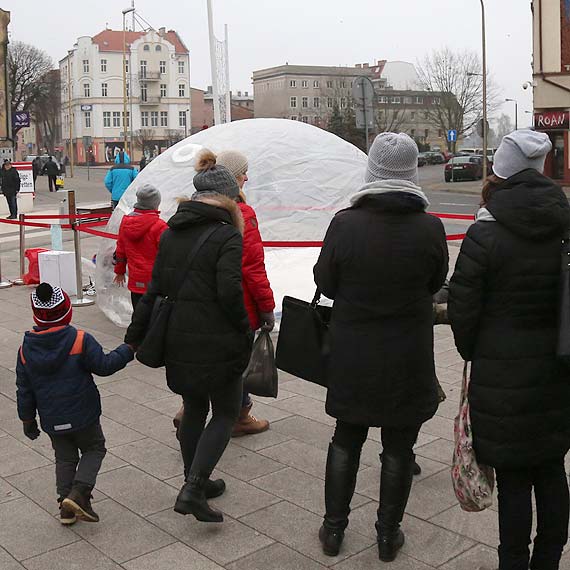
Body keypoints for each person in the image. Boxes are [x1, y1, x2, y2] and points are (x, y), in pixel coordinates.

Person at [314, 133, 448, 562]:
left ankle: (334, 529)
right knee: (399, 447)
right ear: (410, 173)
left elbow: (325, 282)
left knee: (345, 439)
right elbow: (435, 283)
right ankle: (388, 535)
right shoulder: (430, 227)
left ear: (372, 171)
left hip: (354, 350)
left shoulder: (345, 222)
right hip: (407, 351)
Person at [448, 130, 570, 570]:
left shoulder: (484, 232)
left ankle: (513, 562)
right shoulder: (565, 223)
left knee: (515, 480)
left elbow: (462, 310)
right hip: (558, 369)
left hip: (500, 374)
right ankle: (550, 559)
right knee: (552, 468)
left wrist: (476, 350)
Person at [125, 150, 252, 523]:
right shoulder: (227, 235)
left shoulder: (171, 232)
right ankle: (194, 488)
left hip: (179, 338)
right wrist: (244, 327)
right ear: (228, 199)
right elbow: (230, 292)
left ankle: (195, 479)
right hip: (216, 340)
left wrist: (135, 334)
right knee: (227, 411)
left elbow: (153, 289)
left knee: (195, 408)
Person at [16, 283, 134, 525]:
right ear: (67, 311)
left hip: (51, 418)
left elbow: (24, 390)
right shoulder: (80, 339)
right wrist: (128, 349)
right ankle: (80, 492)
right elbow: (105, 365)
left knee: (65, 457)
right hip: (84, 415)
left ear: (36, 315)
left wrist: (27, 421)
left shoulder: (25, 350)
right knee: (94, 448)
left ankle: (66, 507)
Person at [113, 184, 168, 310]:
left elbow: (120, 250)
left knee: (138, 314)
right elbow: (167, 254)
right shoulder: (160, 226)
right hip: (155, 281)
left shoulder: (125, 222)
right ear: (156, 204)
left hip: (135, 280)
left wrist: (119, 271)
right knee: (154, 316)